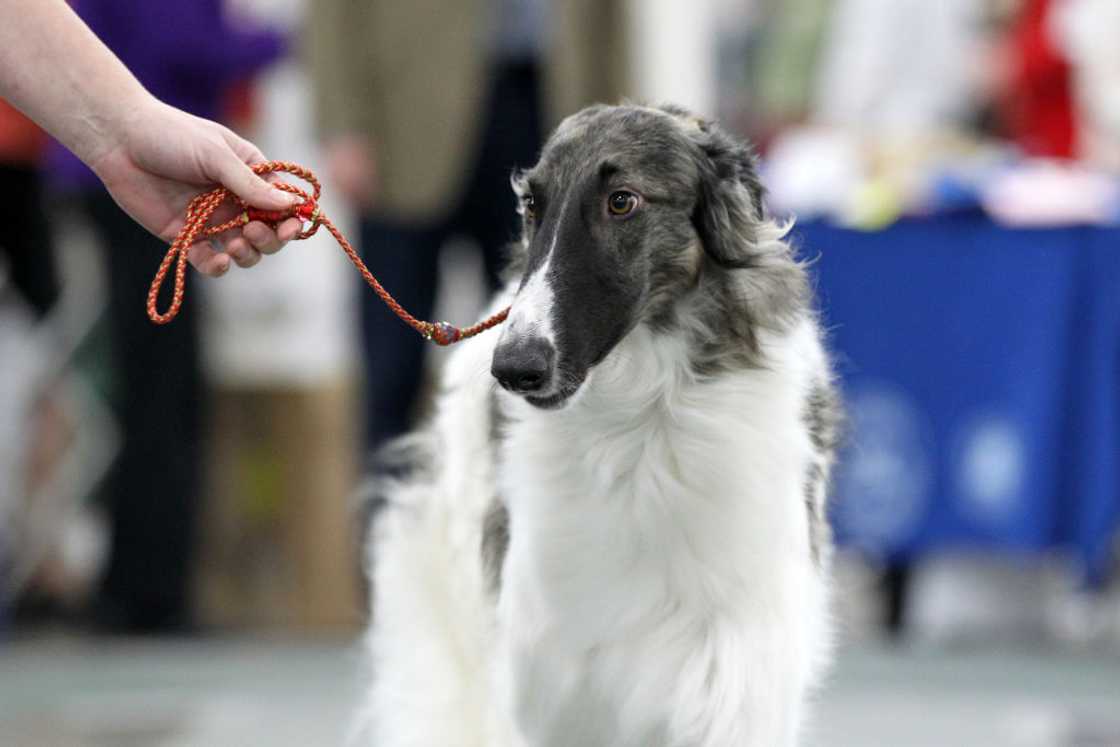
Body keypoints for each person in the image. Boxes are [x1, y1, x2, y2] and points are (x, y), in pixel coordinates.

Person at [308, 0, 632, 453]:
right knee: (391, 371)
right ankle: (388, 519)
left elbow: (608, 18)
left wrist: (618, 132)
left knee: (535, 362)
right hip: (403, 121)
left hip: (545, 111)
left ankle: (512, 517)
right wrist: (341, 124)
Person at [0, 0, 302, 272]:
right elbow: (188, 46)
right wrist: (279, 42)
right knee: (148, 317)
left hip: (135, 164)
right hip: (142, 169)